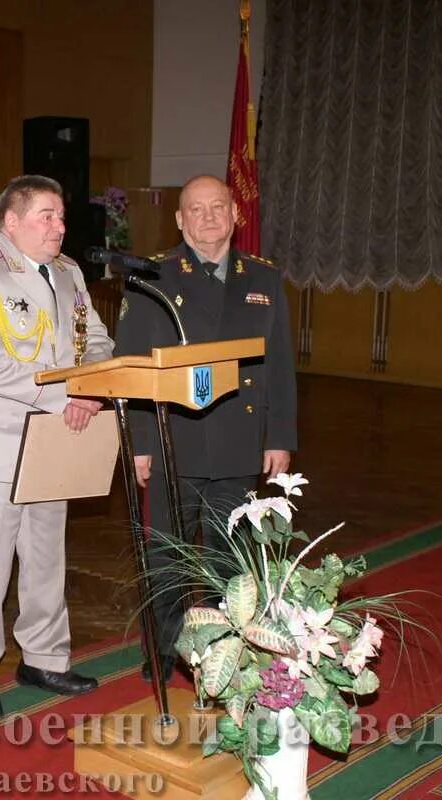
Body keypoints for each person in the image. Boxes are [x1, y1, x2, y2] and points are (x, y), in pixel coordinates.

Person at [0, 174, 114, 718]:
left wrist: (86, 390)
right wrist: (68, 394)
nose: (59, 226)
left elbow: (98, 340)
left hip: (58, 437)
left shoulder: (68, 274)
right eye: (46, 216)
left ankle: (44, 657)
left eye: (61, 216)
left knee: (45, 559)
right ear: (10, 222)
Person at [113, 174, 297, 681]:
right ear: (179, 219)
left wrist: (279, 437)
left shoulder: (264, 279)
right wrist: (139, 445)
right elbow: (133, 367)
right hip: (174, 441)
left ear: (236, 214)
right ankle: (166, 649)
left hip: (239, 445)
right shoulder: (153, 276)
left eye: (219, 207)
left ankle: (219, 648)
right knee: (167, 555)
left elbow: (278, 365)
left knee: (229, 558)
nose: (208, 217)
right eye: (196, 209)